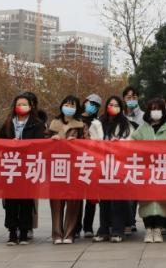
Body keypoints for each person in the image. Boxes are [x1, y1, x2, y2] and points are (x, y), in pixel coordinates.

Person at [0, 94, 45, 245]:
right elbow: (0, 143)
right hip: (11, 166)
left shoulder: (37, 124)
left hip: (28, 166)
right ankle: (12, 232)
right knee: (11, 202)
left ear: (31, 107)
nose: (21, 107)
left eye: (25, 104)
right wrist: (9, 143)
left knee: (26, 201)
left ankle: (24, 232)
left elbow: (39, 144)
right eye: (19, 104)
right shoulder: (7, 124)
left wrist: (22, 144)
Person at [133, 98, 166, 243]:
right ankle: (148, 229)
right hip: (146, 171)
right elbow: (131, 146)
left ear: (163, 111)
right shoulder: (141, 129)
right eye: (153, 109)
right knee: (146, 201)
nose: (156, 111)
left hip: (163, 171)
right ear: (148, 111)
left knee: (162, 200)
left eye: (159, 109)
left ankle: (158, 229)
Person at [47, 96, 87, 244]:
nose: (69, 108)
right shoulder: (53, 123)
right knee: (56, 201)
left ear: (77, 109)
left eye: (72, 105)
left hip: (74, 166)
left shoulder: (81, 125)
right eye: (67, 104)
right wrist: (52, 140)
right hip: (57, 166)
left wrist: (78, 142)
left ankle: (69, 233)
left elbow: (88, 144)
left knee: (73, 201)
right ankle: (57, 233)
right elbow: (43, 142)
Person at [101, 95, 133, 242]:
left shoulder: (126, 124)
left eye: (116, 105)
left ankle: (117, 230)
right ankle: (103, 229)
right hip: (102, 165)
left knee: (118, 200)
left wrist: (120, 142)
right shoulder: (100, 122)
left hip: (119, 166)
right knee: (104, 200)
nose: (113, 107)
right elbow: (93, 140)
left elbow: (132, 141)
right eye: (110, 104)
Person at [80, 93, 106, 239]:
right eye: (91, 103)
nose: (92, 107)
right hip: (77, 161)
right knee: (76, 197)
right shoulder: (76, 118)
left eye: (96, 106)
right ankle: (75, 227)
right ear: (85, 102)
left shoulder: (97, 122)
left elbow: (101, 140)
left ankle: (88, 226)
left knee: (91, 197)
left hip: (92, 161)